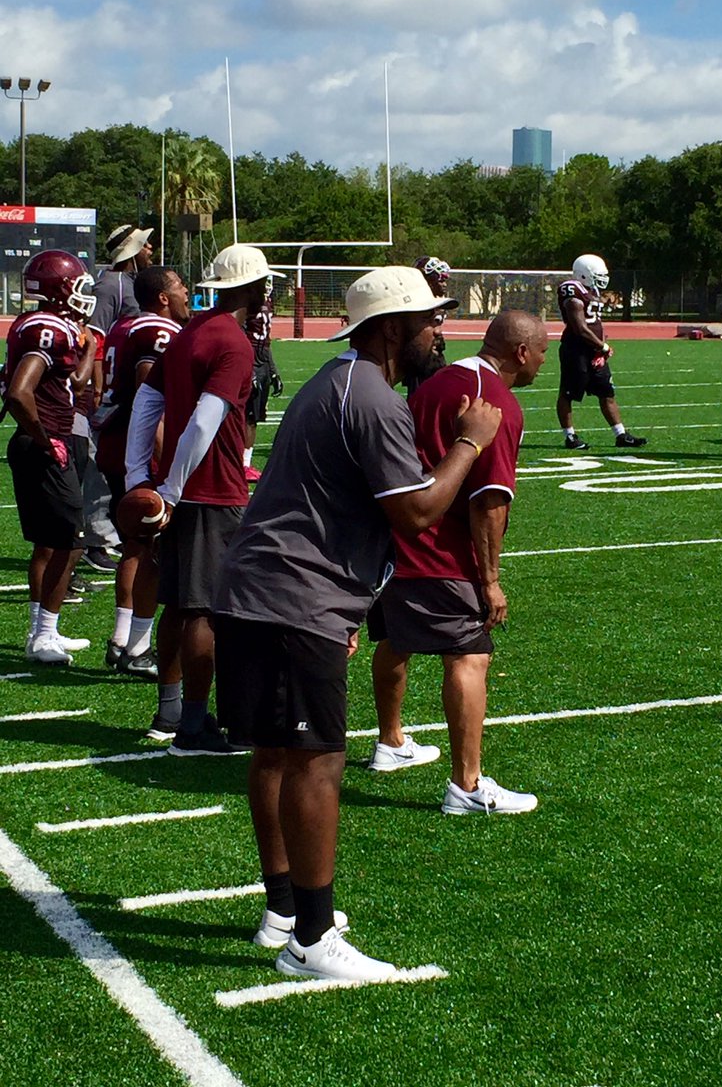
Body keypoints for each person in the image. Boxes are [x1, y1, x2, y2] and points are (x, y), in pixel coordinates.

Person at [213, 266, 502, 983]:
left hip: (268, 590)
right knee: (315, 759)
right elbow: (417, 512)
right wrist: (469, 443)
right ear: (390, 327)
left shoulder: (342, 384)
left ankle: (286, 908)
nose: (442, 330)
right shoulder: (370, 397)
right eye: (431, 318)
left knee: (278, 752)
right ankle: (310, 938)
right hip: (291, 597)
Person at [368, 311, 547, 816]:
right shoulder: (498, 404)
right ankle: (466, 786)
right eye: (541, 353)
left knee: (395, 639)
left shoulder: (437, 382)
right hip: (441, 550)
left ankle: (390, 741)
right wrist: (490, 580)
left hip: (395, 539)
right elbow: (488, 500)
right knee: (470, 655)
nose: (541, 363)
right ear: (519, 352)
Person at [125, 244, 280, 754]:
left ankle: (171, 711)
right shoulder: (231, 340)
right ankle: (191, 726)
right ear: (255, 288)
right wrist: (171, 486)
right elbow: (206, 420)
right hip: (210, 491)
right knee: (202, 611)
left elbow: (149, 397)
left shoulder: (192, 329)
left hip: (181, 485)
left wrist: (140, 475)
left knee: (177, 604)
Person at [97, 266, 190, 715]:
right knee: (146, 545)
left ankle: (125, 639)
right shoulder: (156, 329)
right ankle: (132, 645)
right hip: (137, 445)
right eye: (179, 287)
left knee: (137, 543)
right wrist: (161, 459)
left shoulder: (123, 325)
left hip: (115, 438)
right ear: (162, 298)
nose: (187, 292)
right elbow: (149, 393)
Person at [2, 250, 97, 664]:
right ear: (60, 289)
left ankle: (47, 630)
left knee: (61, 540)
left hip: (55, 436)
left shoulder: (55, 327)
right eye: (76, 285)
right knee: (64, 540)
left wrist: (90, 346)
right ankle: (41, 635)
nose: (82, 293)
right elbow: (20, 392)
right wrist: (44, 439)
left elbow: (73, 381)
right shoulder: (46, 329)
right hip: (47, 440)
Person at [80, 223, 156, 572]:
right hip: (112, 389)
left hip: (125, 386)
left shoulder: (130, 283)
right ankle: (95, 540)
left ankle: (121, 530)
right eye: (144, 244)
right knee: (100, 466)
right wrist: (98, 389)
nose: (150, 248)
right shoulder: (112, 284)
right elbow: (95, 339)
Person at [556, 254, 647, 451]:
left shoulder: (591, 290)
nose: (601, 278)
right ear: (583, 275)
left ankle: (620, 434)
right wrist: (602, 346)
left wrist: (600, 347)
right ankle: (570, 436)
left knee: (607, 392)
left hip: (594, 350)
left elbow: (596, 323)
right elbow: (579, 328)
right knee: (568, 393)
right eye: (597, 274)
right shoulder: (572, 291)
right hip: (576, 350)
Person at [243, 283, 283, 483]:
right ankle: (242, 464)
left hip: (263, 361)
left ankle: (245, 463)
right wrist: (247, 369)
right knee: (246, 416)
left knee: (255, 416)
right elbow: (241, 335)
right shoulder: (247, 305)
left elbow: (266, 340)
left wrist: (273, 370)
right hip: (250, 360)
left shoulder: (267, 303)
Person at [405, 256, 451, 394]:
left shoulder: (438, 304)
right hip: (422, 359)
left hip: (434, 358)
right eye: (441, 279)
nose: (444, 284)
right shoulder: (416, 306)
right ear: (429, 280)